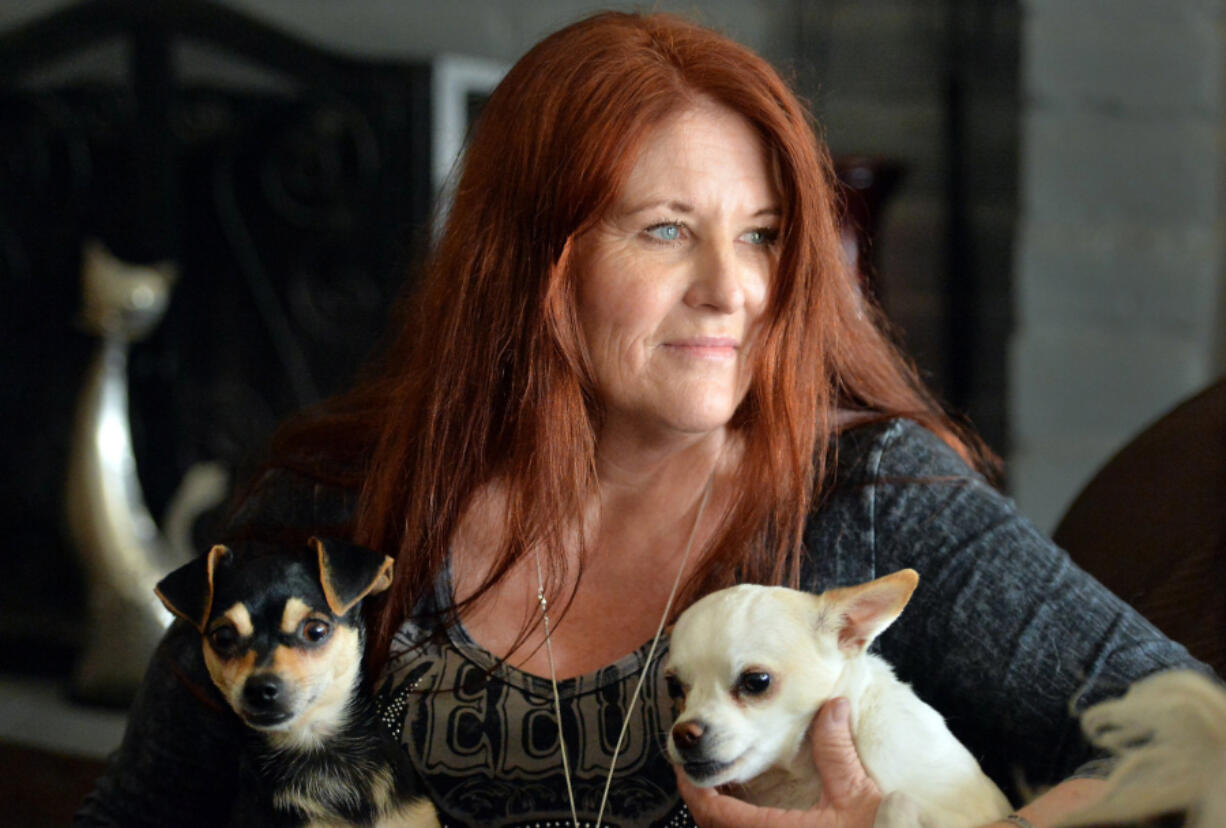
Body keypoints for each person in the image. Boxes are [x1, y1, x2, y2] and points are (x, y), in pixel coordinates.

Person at [76, 10, 1210, 828]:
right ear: (529, 266)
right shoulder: (327, 507)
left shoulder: (871, 499)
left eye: (761, 234)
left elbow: (1194, 745)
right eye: (665, 229)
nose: (733, 288)